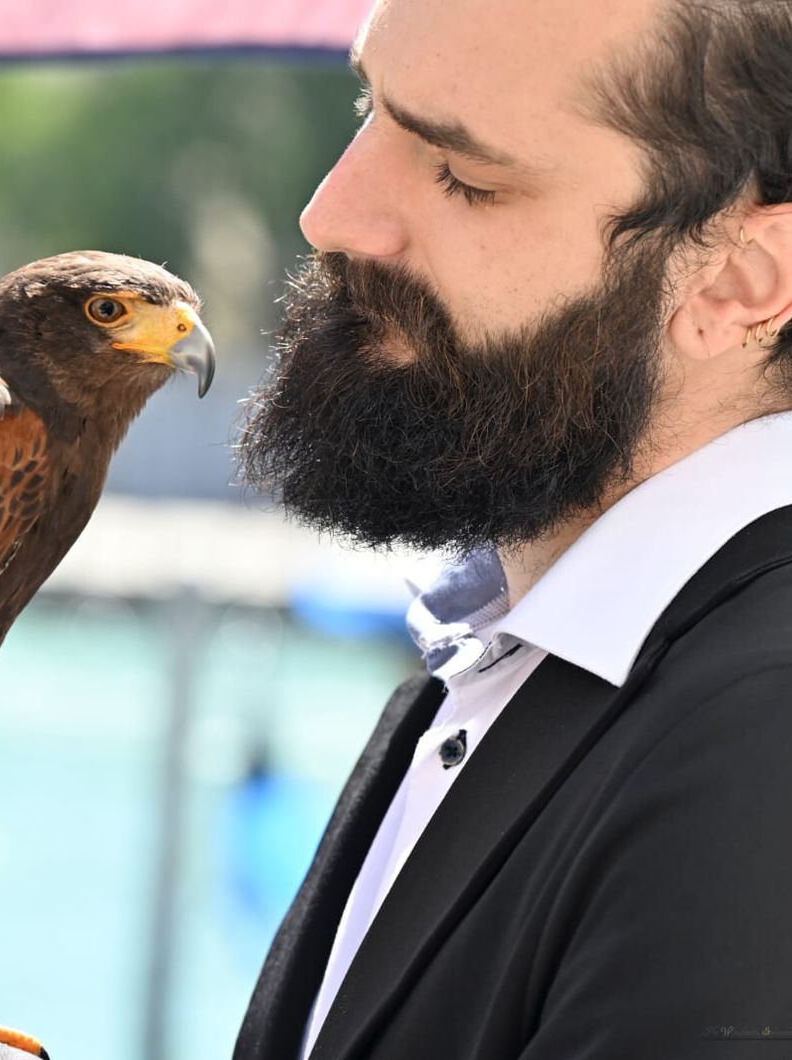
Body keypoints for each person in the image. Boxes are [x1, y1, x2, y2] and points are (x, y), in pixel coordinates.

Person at [232, 0, 792, 1058]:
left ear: (740, 278)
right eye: (369, 104)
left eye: (463, 177)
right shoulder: (515, 650)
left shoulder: (766, 744)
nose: (331, 211)